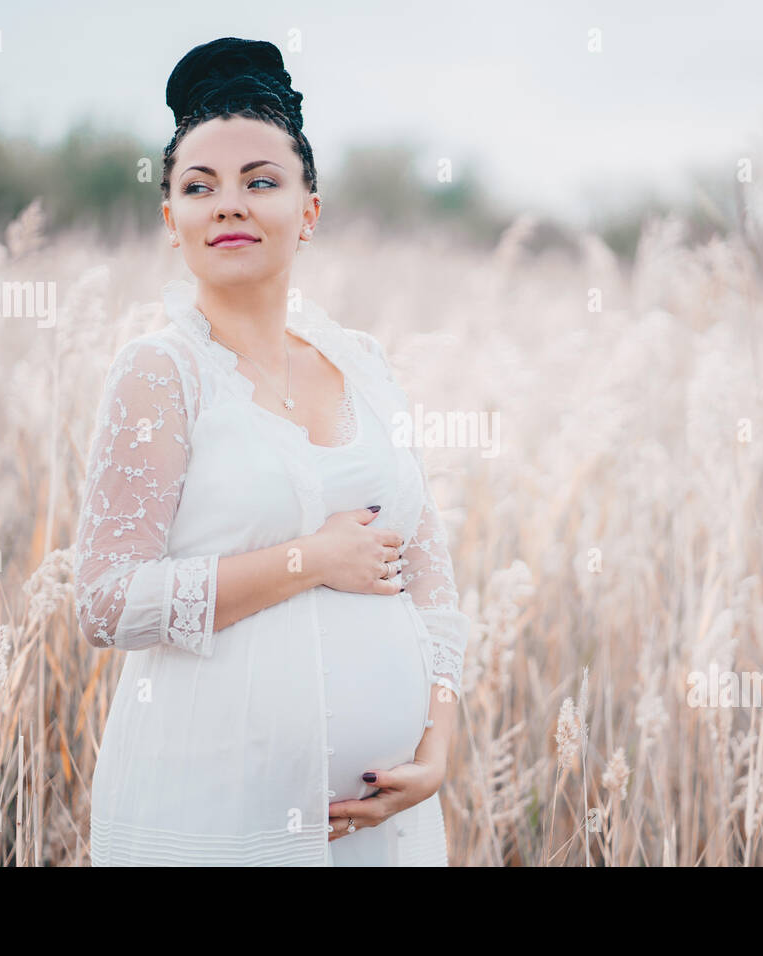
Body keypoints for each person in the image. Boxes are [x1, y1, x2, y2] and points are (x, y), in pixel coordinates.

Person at [71, 37, 470, 865]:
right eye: (199, 187)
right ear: (170, 219)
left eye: (260, 182)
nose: (229, 205)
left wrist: (438, 743)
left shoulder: (361, 360)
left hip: (382, 820)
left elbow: (426, 565)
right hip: (215, 807)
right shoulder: (160, 373)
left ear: (309, 210)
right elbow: (107, 603)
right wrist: (312, 559)